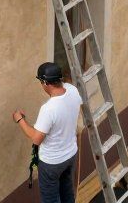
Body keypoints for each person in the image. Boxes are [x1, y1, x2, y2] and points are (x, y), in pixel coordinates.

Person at [12, 62, 82, 203]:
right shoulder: (73, 90)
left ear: (45, 82)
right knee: (67, 194)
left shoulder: (49, 109)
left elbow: (36, 139)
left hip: (52, 163)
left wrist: (20, 119)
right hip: (70, 155)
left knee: (51, 200)